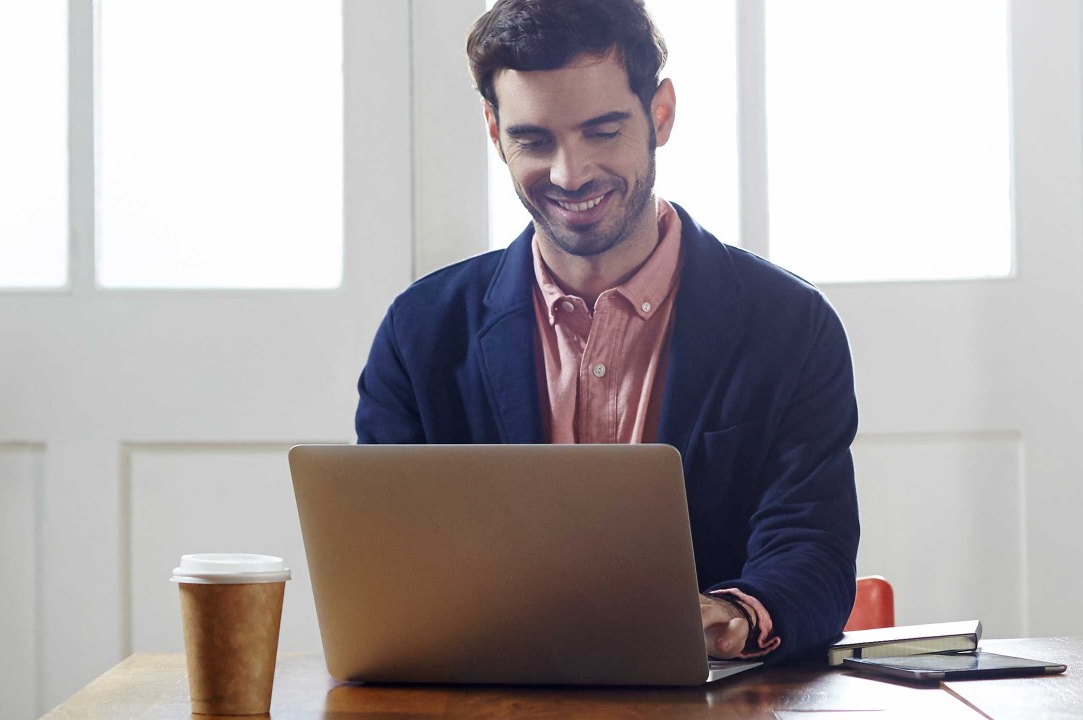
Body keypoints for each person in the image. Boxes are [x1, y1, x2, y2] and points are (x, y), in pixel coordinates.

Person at [356, 0, 859, 663]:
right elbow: (389, 561)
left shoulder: (791, 326)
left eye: (602, 131)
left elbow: (812, 551)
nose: (570, 174)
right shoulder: (419, 332)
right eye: (534, 140)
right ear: (493, 129)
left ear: (662, 115)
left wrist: (733, 614)